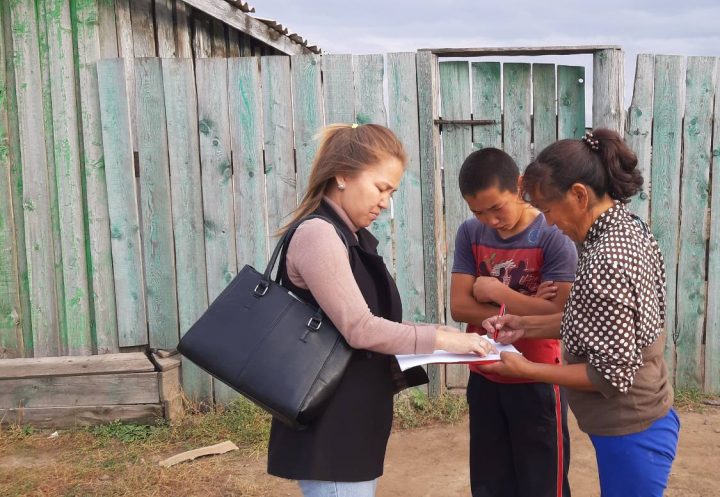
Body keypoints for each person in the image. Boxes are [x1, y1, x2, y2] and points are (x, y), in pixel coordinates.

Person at [266, 123, 495, 497]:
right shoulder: (319, 234)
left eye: (391, 192)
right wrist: (440, 339)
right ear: (343, 175)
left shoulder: (348, 236)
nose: (386, 202)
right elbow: (360, 328)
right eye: (380, 187)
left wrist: (442, 334)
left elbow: (373, 321)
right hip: (332, 432)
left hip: (349, 421)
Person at [479, 129, 679, 497]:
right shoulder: (625, 230)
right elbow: (601, 322)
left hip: (631, 425)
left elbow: (610, 374)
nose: (549, 222)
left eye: (548, 209)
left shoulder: (607, 260)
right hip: (641, 418)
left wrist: (528, 369)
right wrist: (524, 325)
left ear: (579, 195)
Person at [450, 147, 578, 497]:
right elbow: (459, 307)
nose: (490, 220)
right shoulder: (470, 233)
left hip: (538, 376)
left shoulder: (552, 234)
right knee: (490, 483)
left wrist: (495, 292)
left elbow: (560, 315)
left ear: (519, 186)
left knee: (542, 482)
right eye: (478, 212)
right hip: (484, 371)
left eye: (496, 208)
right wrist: (531, 303)